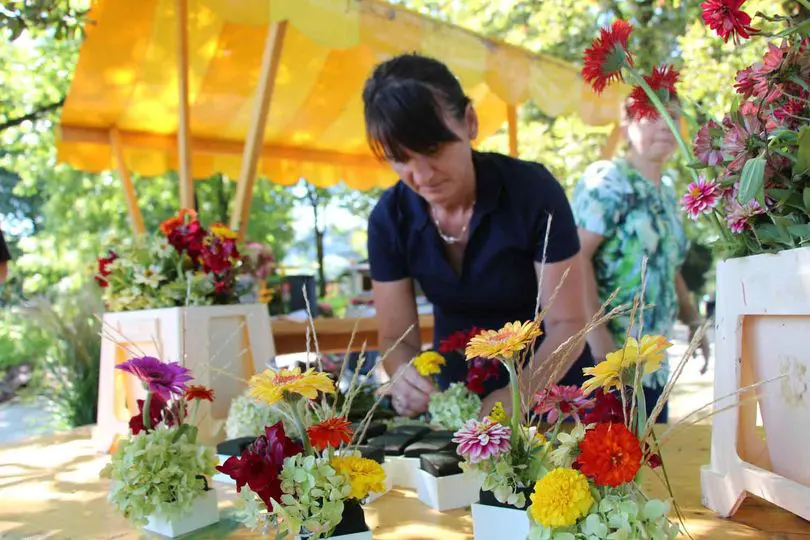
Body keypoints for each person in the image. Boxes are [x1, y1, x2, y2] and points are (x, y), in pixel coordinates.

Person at [363, 53, 593, 418]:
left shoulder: (533, 191)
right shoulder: (388, 220)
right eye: (400, 158)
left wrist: (517, 397)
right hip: (458, 404)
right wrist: (403, 375)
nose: (421, 176)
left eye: (432, 149)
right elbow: (397, 339)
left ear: (469, 122)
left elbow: (568, 325)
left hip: (552, 394)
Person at [572, 99, 710, 423]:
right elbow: (576, 259)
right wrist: (600, 341)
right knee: (606, 465)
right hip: (607, 363)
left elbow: (666, 265)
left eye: (673, 116)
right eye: (652, 116)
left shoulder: (665, 190)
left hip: (651, 365)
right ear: (626, 127)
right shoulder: (608, 180)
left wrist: (692, 320)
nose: (665, 124)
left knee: (648, 464)